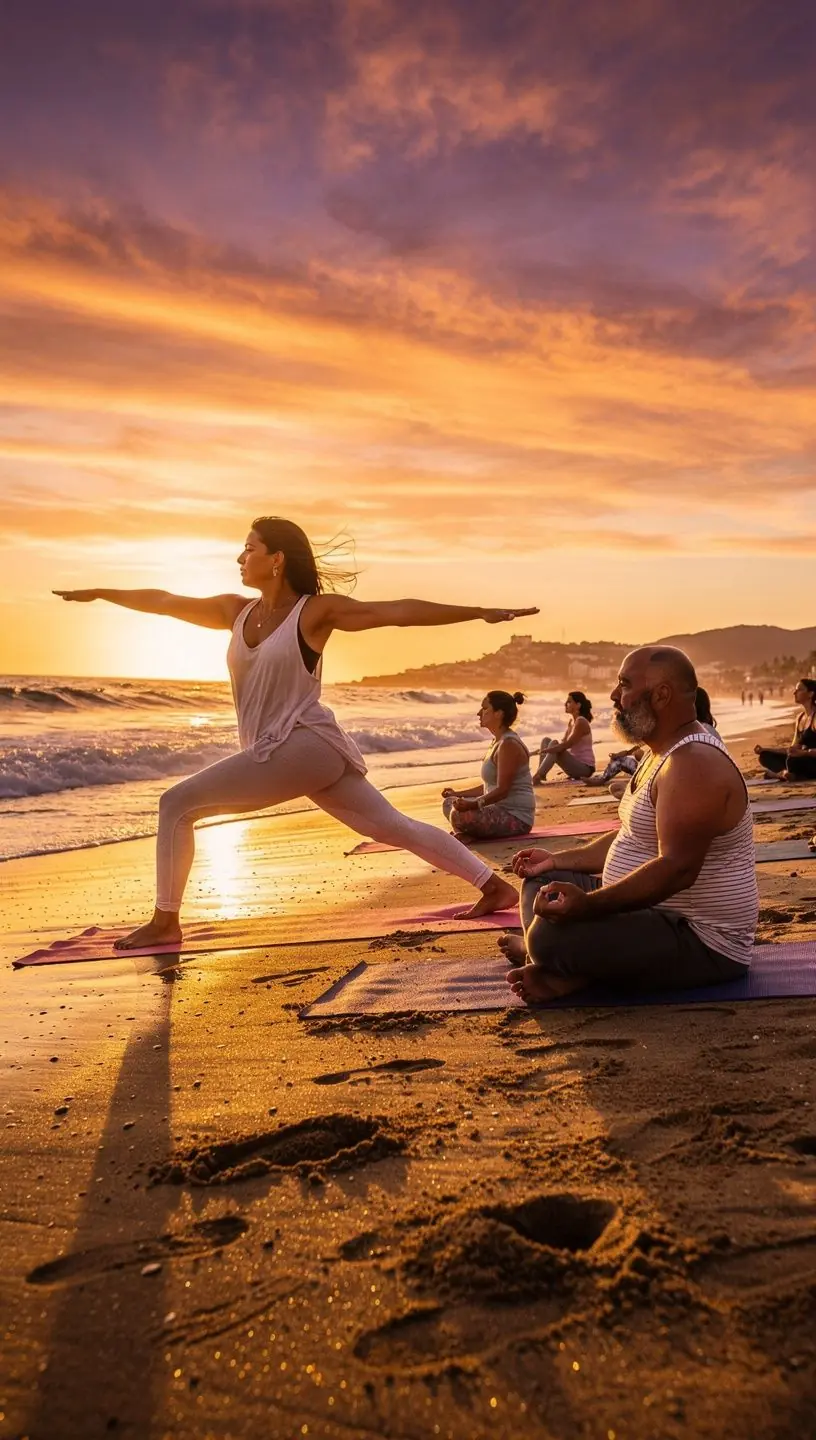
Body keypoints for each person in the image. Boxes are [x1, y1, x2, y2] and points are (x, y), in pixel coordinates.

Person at [55, 516, 538, 948]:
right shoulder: (235, 612)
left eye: (249, 548)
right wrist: (102, 592)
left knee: (175, 804)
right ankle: (492, 887)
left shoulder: (313, 613)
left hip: (302, 743)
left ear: (277, 559)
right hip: (300, 751)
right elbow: (165, 602)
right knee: (391, 827)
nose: (240, 557)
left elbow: (394, 610)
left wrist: (477, 611)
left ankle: (165, 921)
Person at [498, 646, 758, 1002]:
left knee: (549, 936)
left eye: (624, 684)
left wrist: (588, 906)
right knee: (541, 882)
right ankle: (556, 963)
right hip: (650, 913)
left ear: (661, 695)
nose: (613, 695)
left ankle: (554, 962)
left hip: (699, 938)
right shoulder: (660, 753)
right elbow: (633, 837)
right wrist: (556, 860)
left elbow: (678, 870)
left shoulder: (693, 763)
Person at [441, 691, 535, 839]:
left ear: (499, 714)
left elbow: (502, 790)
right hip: (496, 809)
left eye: (485, 708)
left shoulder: (508, 744)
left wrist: (472, 805)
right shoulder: (497, 742)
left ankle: (466, 834)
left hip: (515, 817)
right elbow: (489, 786)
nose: (479, 713)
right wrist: (457, 794)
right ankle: (467, 833)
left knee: (458, 815)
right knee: (449, 803)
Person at [755, 679, 816, 780]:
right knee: (765, 756)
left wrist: (805, 753)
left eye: (799, 689)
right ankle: (786, 773)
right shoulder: (800, 718)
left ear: (810, 694)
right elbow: (791, 749)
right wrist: (766, 749)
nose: (794, 692)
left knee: (792, 760)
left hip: (811, 761)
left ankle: (781, 774)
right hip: (799, 760)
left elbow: (799, 754)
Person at [533, 692, 595, 784]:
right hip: (573, 764)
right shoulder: (572, 722)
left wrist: (547, 750)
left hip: (585, 769)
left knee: (554, 743)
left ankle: (538, 775)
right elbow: (563, 743)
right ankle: (541, 775)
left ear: (578, 705)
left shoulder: (581, 722)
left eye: (569, 702)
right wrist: (547, 750)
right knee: (546, 740)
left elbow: (567, 744)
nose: (565, 704)